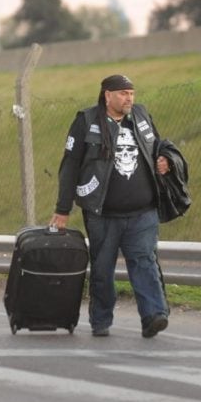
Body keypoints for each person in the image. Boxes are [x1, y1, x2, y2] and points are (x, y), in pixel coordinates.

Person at [49, 74, 170, 338]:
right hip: (102, 213)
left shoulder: (140, 116)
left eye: (132, 93)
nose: (130, 98)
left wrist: (165, 160)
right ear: (107, 95)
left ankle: (154, 315)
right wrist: (62, 208)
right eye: (124, 93)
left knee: (145, 263)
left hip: (142, 212)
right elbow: (69, 166)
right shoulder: (86, 120)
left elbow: (158, 146)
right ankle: (101, 320)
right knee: (102, 270)